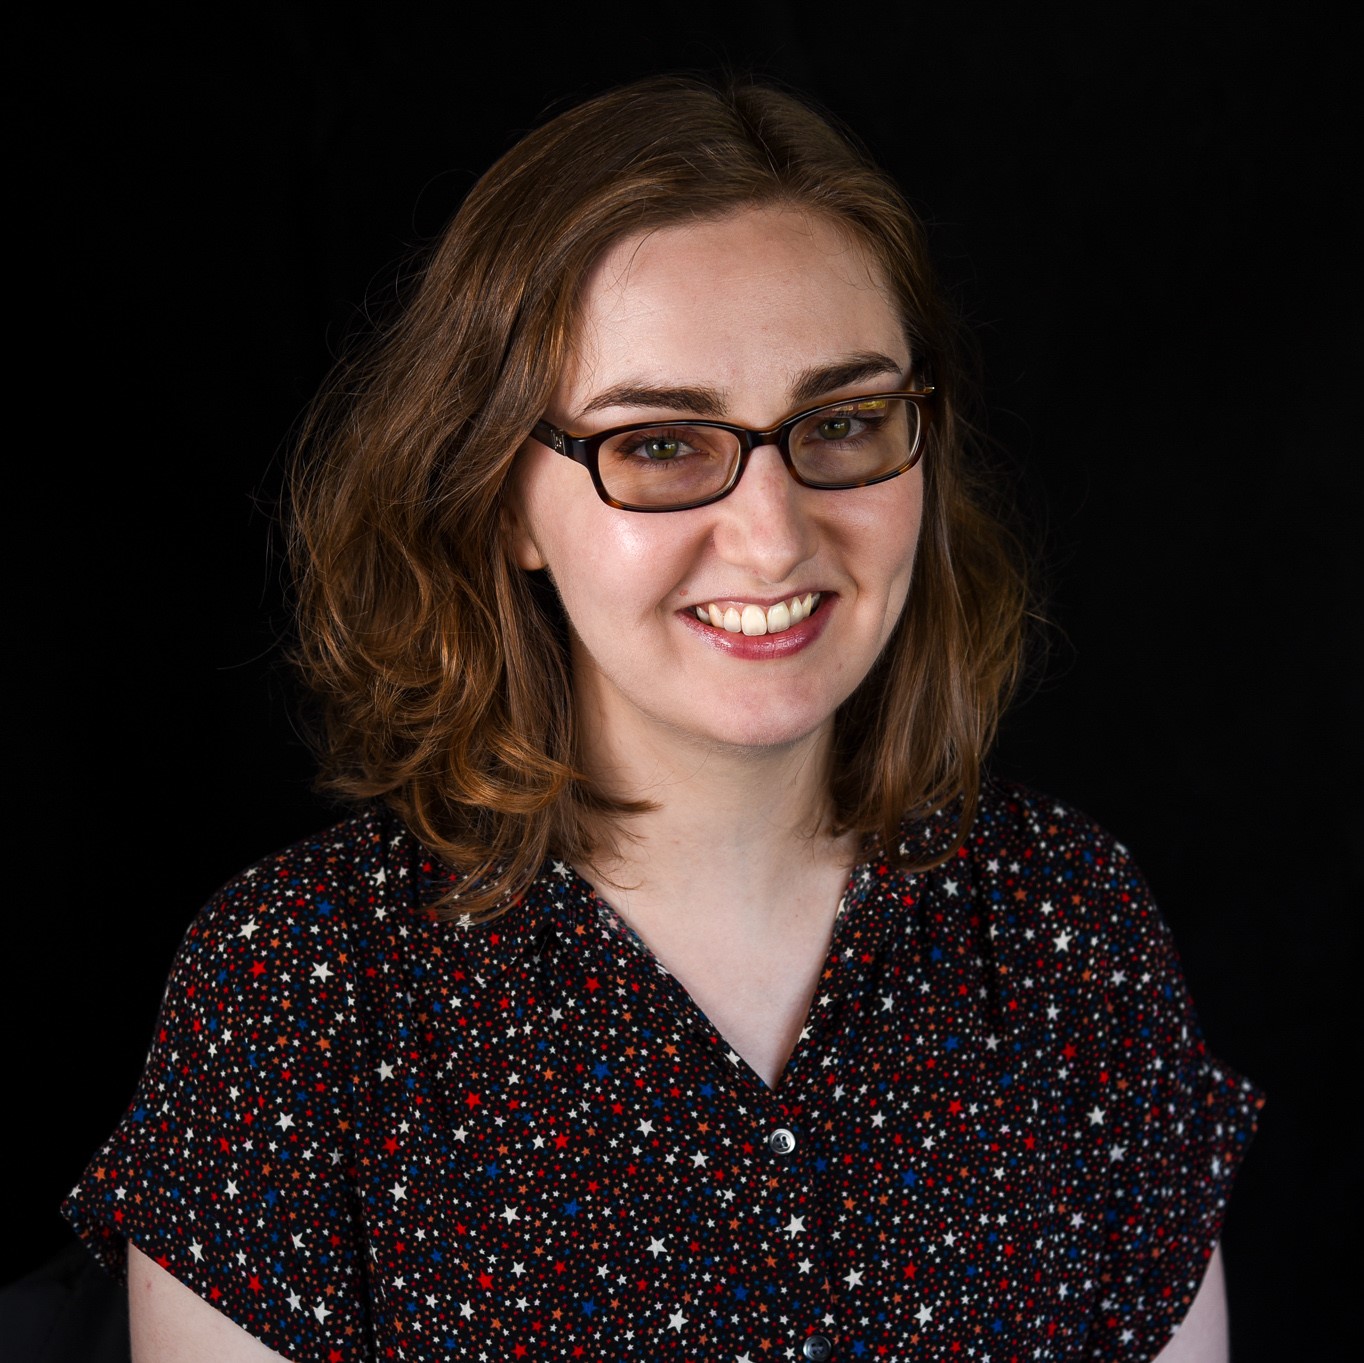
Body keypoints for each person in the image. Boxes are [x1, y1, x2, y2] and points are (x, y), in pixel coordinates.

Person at [63, 76, 1261, 1362]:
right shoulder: (294, 992)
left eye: (845, 422)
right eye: (658, 444)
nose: (769, 534)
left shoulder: (1065, 930)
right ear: (503, 499)